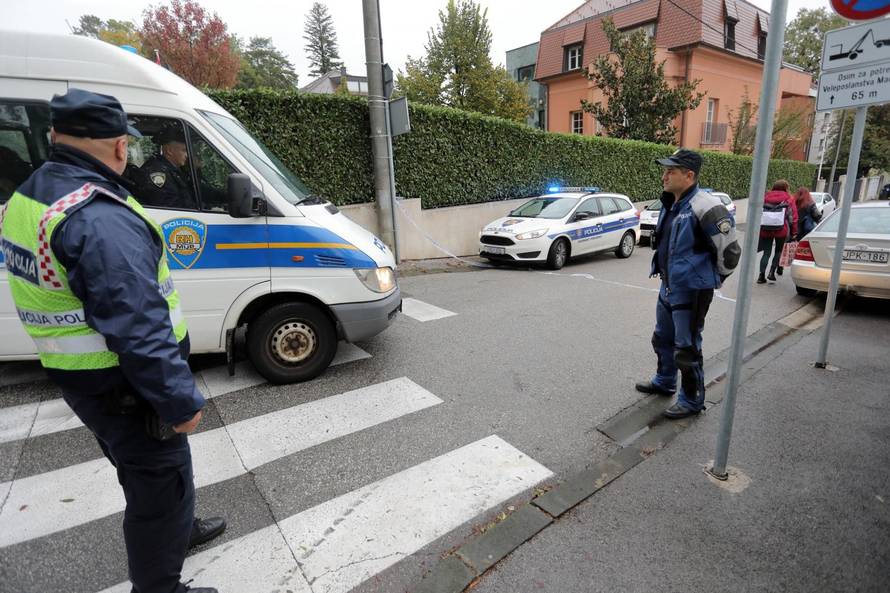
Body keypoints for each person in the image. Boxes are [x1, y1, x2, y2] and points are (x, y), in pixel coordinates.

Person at [0, 89, 224, 593]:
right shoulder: (96, 215)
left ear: (56, 136)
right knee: (158, 486)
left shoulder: (33, 191)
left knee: (142, 471)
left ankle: (179, 531)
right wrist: (178, 400)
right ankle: (160, 584)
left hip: (85, 381)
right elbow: (137, 325)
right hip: (126, 388)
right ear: (121, 147)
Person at [635, 149, 740, 419]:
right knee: (662, 338)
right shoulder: (671, 203)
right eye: (665, 169)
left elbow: (731, 252)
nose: (664, 175)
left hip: (692, 289)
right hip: (669, 285)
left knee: (687, 347)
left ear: (689, 175)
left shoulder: (706, 205)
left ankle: (692, 400)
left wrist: (710, 279)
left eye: (671, 170)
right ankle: (665, 380)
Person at [138, 125, 197, 209]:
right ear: (169, 151)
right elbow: (170, 206)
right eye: (184, 150)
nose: (187, 155)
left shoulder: (173, 169)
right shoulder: (157, 172)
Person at [757, 180, 798, 284]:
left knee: (766, 253)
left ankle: (761, 276)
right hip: (781, 229)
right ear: (785, 187)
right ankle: (771, 273)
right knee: (778, 251)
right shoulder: (789, 198)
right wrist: (794, 232)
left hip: (765, 228)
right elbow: (793, 217)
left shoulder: (765, 197)